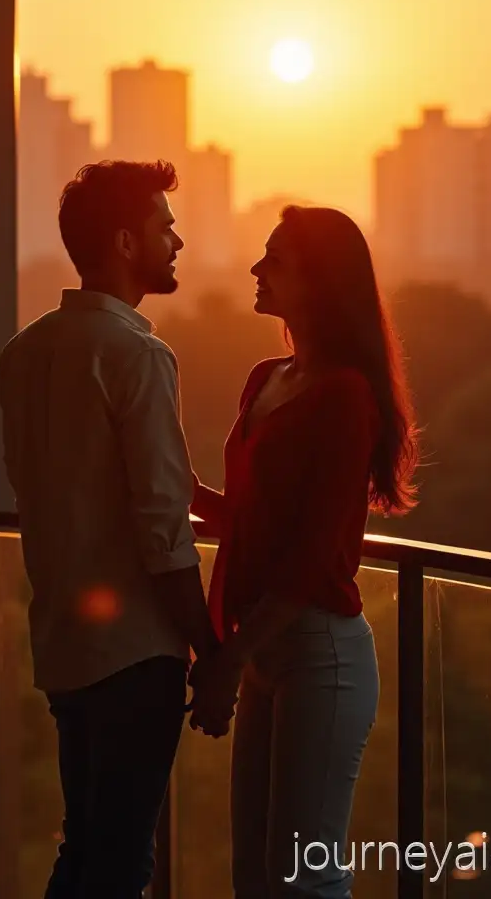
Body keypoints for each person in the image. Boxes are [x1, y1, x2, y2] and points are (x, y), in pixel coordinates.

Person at [0, 159, 226, 899]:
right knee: (122, 862)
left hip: (64, 641)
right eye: (165, 227)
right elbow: (164, 527)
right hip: (135, 655)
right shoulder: (138, 355)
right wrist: (210, 648)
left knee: (87, 849)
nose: (178, 240)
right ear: (127, 242)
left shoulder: (24, 355)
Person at [189, 204, 418, 898]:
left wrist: (226, 662)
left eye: (275, 259)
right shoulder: (266, 378)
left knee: (303, 883)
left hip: (320, 655)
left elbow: (312, 556)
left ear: (319, 281)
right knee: (255, 879)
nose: (256, 269)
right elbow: (256, 523)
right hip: (263, 650)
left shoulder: (346, 396)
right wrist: (178, 486)